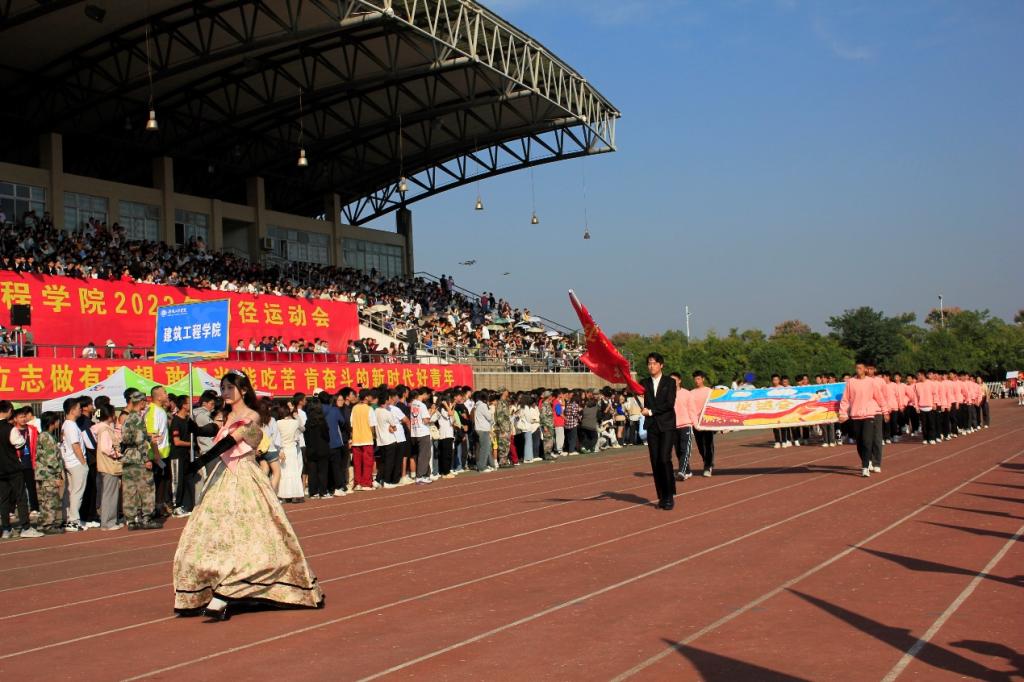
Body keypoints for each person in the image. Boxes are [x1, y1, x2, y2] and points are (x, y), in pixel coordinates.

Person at [173, 370, 324, 620]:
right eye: (222, 388)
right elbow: (216, 433)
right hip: (221, 476)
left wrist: (199, 462)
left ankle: (234, 588)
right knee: (208, 533)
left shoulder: (252, 415)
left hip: (243, 475)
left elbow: (232, 442)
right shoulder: (225, 416)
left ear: (243, 390)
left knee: (251, 533)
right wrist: (191, 426)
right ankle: (211, 586)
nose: (225, 392)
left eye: (230, 388)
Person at [640, 353, 677, 510]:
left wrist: (651, 411)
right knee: (655, 461)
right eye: (649, 363)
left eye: (654, 363)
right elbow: (632, 390)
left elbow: (669, 404)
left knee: (664, 459)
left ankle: (669, 496)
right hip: (652, 427)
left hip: (667, 425)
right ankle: (661, 495)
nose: (651, 366)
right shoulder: (644, 383)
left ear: (661, 365)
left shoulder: (670, 382)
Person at [839, 362, 889, 477]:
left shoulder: (871, 382)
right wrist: (842, 413)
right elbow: (845, 399)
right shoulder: (851, 382)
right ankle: (867, 460)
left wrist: (885, 411)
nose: (858, 370)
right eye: (857, 368)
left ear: (865, 369)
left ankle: (865, 467)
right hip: (855, 416)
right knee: (860, 443)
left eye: (860, 368)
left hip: (868, 415)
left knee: (867, 441)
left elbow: (879, 397)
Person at [1, 402, 43, 538]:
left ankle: (6, 529)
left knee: (3, 499)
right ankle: (25, 527)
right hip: (13, 467)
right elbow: (20, 443)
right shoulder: (10, 429)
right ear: (9, 411)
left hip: (1, 469)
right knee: (21, 497)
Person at [120, 390, 160, 529]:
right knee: (147, 488)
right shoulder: (137, 418)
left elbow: (126, 438)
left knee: (129, 491)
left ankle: (131, 520)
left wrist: (148, 437)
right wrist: (146, 459)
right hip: (138, 458)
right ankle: (147, 518)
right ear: (141, 402)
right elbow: (140, 440)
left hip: (128, 457)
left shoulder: (127, 418)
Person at [91, 404, 123, 530]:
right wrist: (117, 454)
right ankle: (108, 522)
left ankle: (109, 521)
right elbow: (105, 448)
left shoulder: (102, 428)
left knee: (109, 493)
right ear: (110, 415)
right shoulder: (104, 430)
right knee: (110, 494)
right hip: (109, 465)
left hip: (107, 465)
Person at [60, 398, 89, 532]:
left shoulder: (66, 424)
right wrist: (83, 462)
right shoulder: (71, 425)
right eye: (78, 408)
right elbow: (75, 445)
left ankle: (68, 518)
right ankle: (73, 520)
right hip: (76, 462)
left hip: (69, 462)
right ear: (72, 410)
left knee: (71, 491)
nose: (80, 410)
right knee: (77, 492)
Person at [34, 412, 65, 534]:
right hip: (49, 474)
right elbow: (51, 459)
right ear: (52, 422)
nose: (58, 422)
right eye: (57, 420)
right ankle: (48, 524)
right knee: (50, 500)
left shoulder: (44, 436)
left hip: (43, 474)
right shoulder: (47, 437)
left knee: (44, 500)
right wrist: (58, 474)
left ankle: (43, 523)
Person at [276, 402, 305, 502]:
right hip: (292, 449)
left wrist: (280, 450)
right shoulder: (295, 422)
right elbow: (303, 428)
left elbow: (276, 438)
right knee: (294, 472)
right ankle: (295, 495)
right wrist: (296, 416)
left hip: (282, 449)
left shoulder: (278, 423)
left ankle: (284, 495)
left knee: (284, 472)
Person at [349, 389, 376, 491]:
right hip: (367, 439)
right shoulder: (369, 409)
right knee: (367, 463)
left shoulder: (354, 408)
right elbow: (372, 425)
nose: (371, 398)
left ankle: (358, 483)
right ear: (366, 397)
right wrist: (374, 435)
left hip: (356, 439)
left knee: (357, 463)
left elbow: (351, 424)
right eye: (369, 396)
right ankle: (366, 483)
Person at [670, 372, 694, 481]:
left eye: (674, 380)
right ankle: (687, 471)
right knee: (678, 451)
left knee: (685, 449)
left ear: (679, 381)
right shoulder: (666, 394)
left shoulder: (687, 394)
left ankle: (682, 472)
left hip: (686, 425)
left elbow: (692, 410)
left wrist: (695, 423)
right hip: (673, 426)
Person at [690, 370, 715, 476]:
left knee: (708, 444)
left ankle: (708, 466)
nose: (697, 381)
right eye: (695, 379)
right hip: (696, 423)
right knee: (700, 445)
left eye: (699, 379)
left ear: (703, 379)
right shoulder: (691, 393)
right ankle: (707, 461)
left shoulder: (710, 391)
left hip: (707, 421)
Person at [409, 387, 433, 483]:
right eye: (428, 395)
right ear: (424, 394)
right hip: (422, 432)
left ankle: (426, 475)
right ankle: (420, 476)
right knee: (425, 455)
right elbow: (426, 420)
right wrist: (432, 412)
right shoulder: (422, 405)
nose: (428, 397)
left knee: (422, 455)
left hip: (414, 432)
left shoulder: (413, 403)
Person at [473, 391, 495, 472]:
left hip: (480, 428)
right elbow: (489, 417)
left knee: (485, 448)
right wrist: (491, 412)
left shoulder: (477, 405)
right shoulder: (483, 405)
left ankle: (489, 464)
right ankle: (482, 467)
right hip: (483, 429)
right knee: (484, 449)